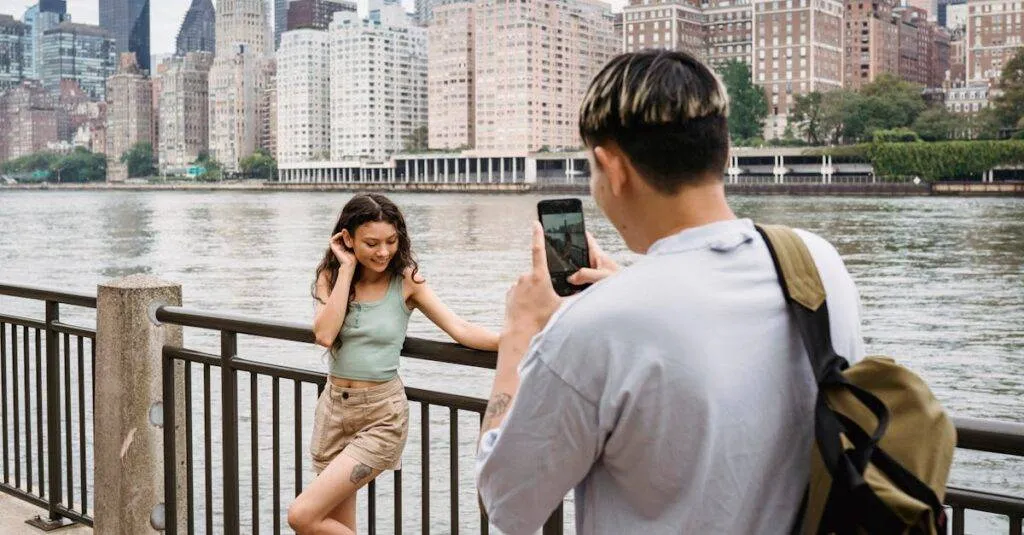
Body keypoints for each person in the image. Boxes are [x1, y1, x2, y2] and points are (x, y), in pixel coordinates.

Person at [475, 50, 866, 534]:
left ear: (612, 167)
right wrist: (628, 289)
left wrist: (519, 335)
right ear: (724, 151)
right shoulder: (817, 263)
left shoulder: (597, 324)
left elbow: (509, 505)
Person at [289, 193, 499, 534]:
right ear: (347, 239)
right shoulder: (332, 276)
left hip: (380, 416)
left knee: (302, 515)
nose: (383, 252)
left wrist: (518, 340)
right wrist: (345, 269)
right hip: (333, 412)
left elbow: (460, 328)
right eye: (371, 243)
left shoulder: (406, 281)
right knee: (337, 526)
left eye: (390, 241)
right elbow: (325, 334)